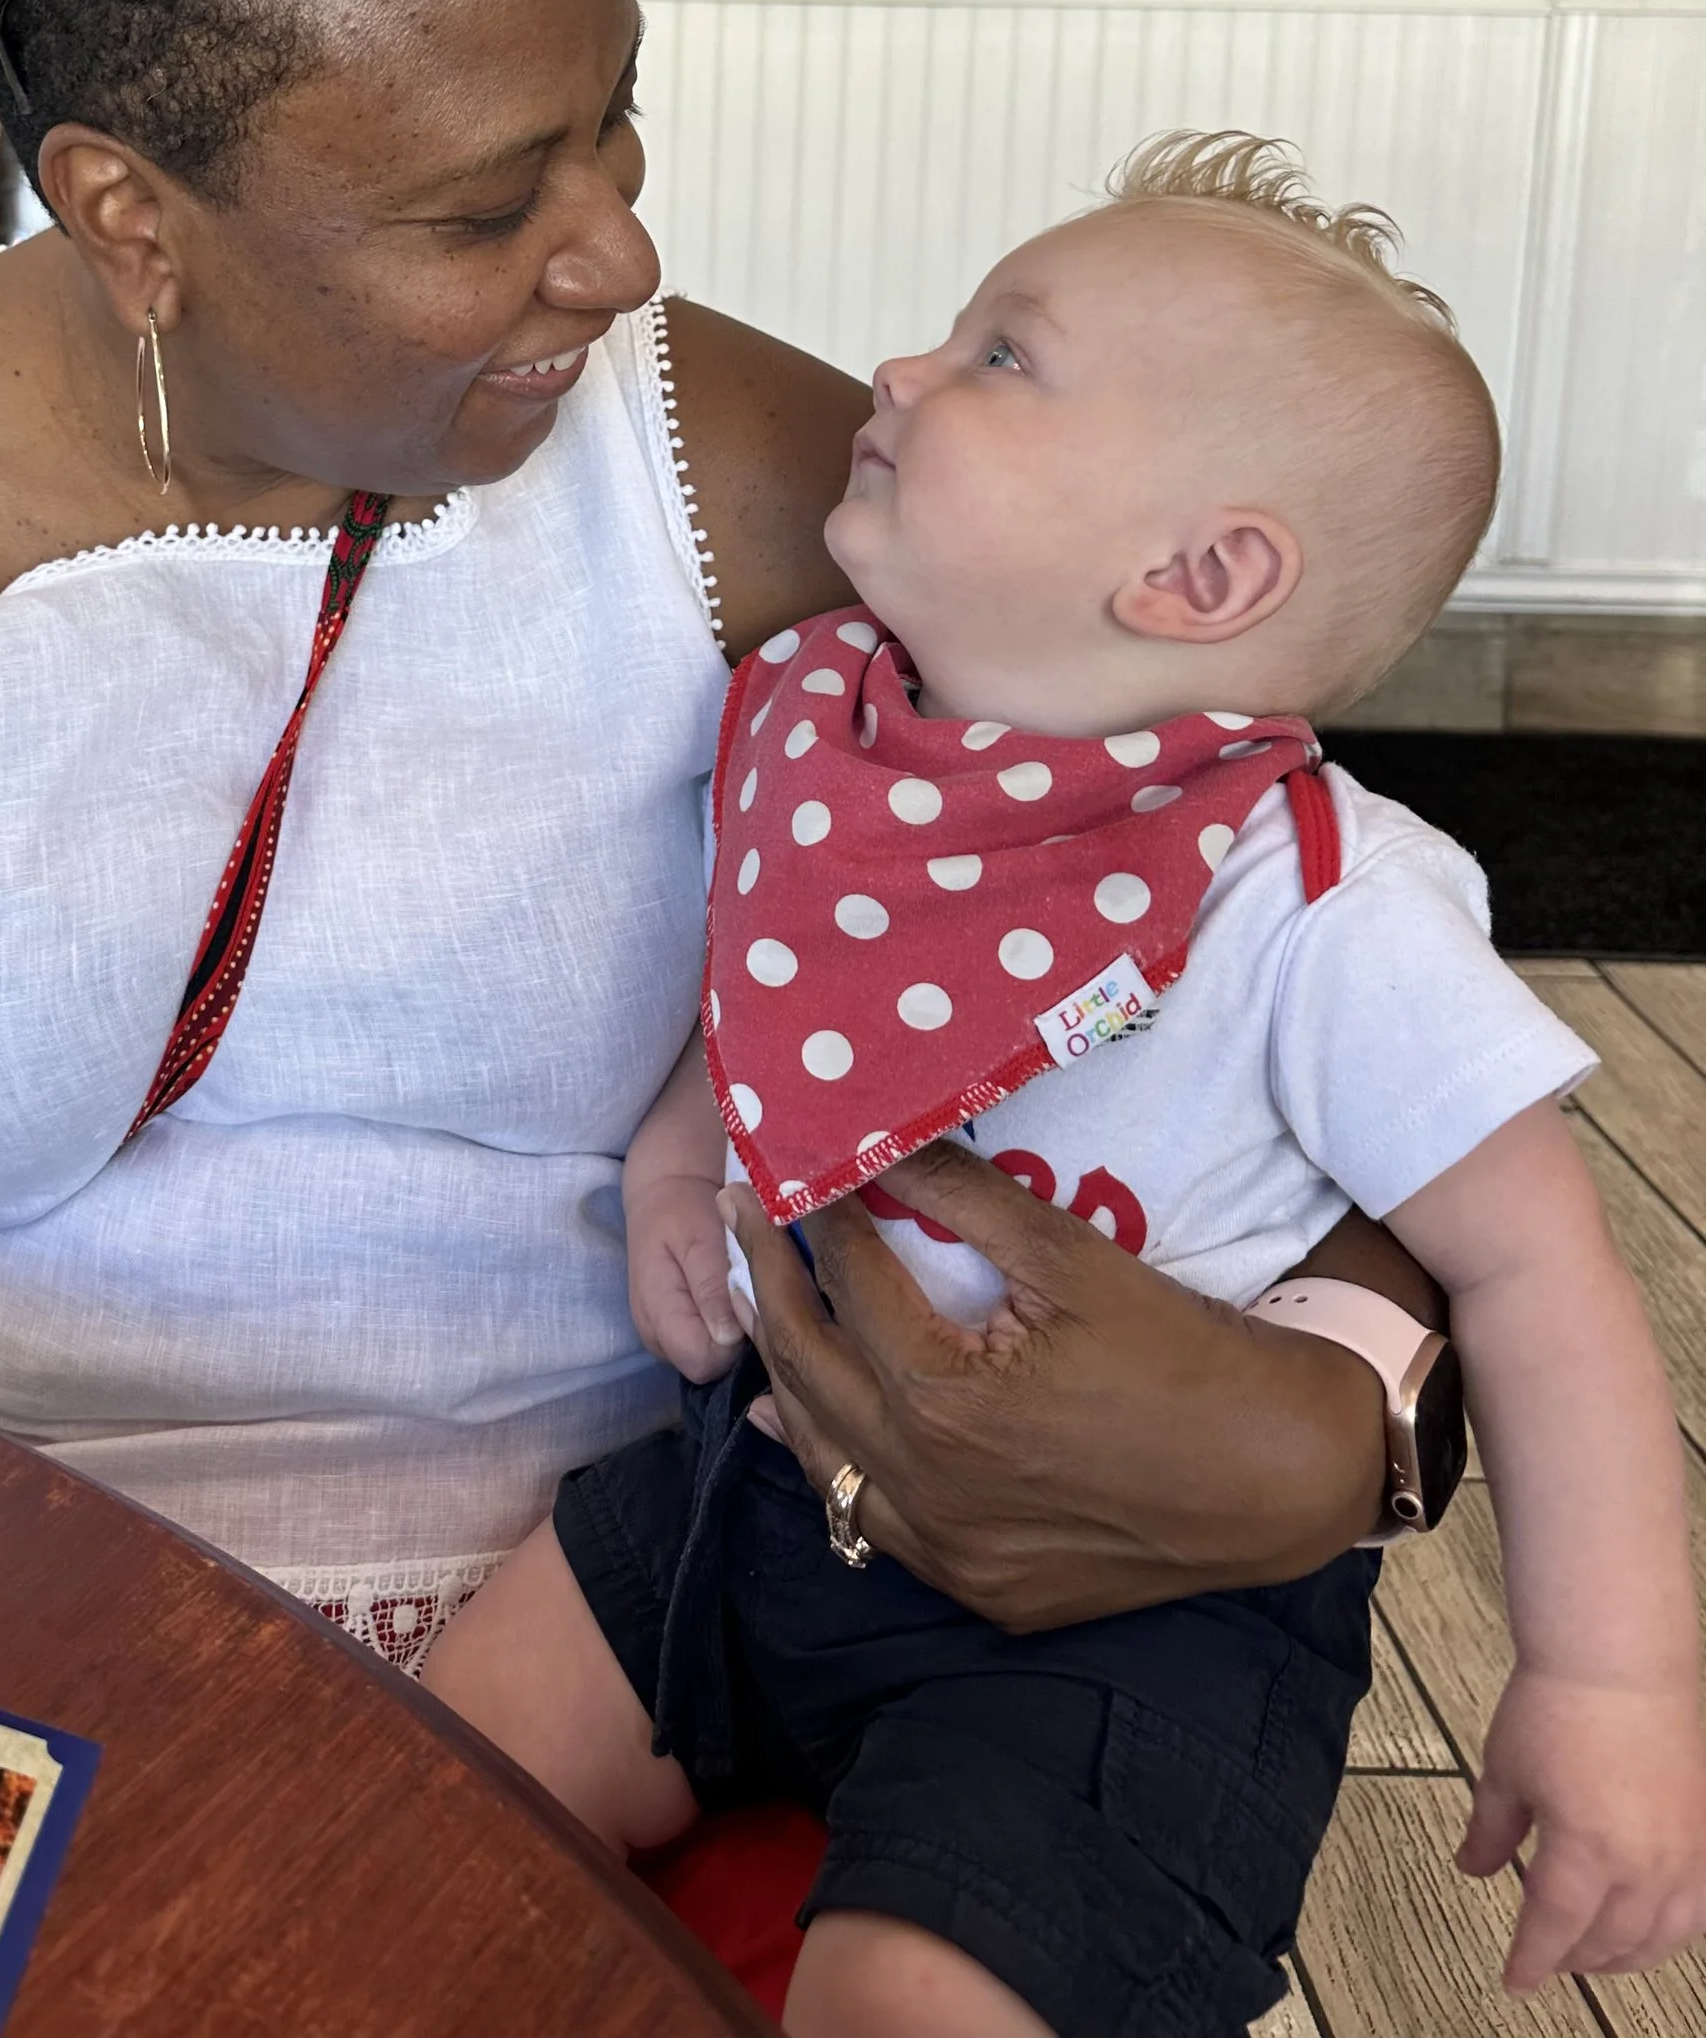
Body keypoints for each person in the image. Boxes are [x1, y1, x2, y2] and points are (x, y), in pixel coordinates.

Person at [0, 0, 1422, 1678]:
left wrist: (1336, 1424)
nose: (618, 254)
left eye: (615, 116)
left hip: (649, 1626)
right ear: (128, 215)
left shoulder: (738, 481)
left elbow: (1285, 907)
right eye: (484, 207)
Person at [425, 142, 1706, 2038]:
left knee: (918, 1997)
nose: (900, 371)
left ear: (1201, 574)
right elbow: (776, 985)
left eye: (1001, 358)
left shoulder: (1314, 896)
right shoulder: (839, 726)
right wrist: (687, 1153)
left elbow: (1539, 1270)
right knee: (424, 1792)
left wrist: (1611, 1684)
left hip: (1129, 1618)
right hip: (755, 1480)